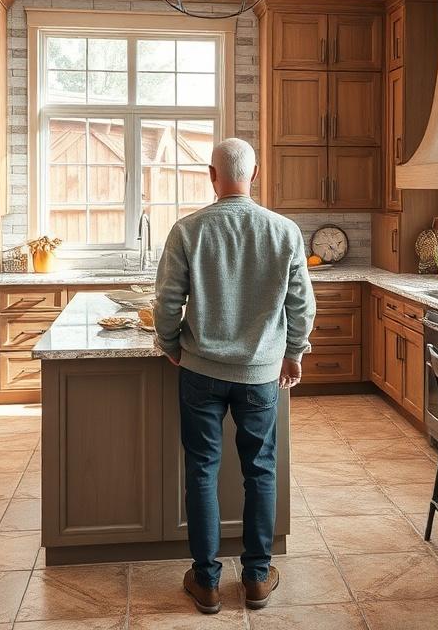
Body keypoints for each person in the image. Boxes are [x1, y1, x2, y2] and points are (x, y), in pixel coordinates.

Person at [153, 137, 316, 614]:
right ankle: (257, 577)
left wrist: (169, 343)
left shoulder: (188, 230)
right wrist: (294, 352)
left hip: (201, 369)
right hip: (260, 373)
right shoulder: (284, 231)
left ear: (212, 175)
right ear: (255, 173)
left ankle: (205, 582)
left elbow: (167, 303)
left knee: (202, 471)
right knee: (259, 470)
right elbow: (301, 305)